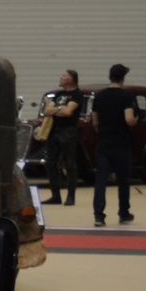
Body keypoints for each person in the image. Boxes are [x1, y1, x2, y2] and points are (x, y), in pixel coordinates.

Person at [91, 62, 136, 226]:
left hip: (104, 143)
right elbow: (129, 119)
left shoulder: (99, 96)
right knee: (123, 181)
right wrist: (136, 120)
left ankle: (99, 216)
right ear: (123, 78)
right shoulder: (126, 96)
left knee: (100, 181)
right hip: (121, 144)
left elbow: (95, 121)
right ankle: (124, 213)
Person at [42, 70, 85, 206]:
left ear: (72, 79)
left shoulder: (77, 95)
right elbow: (47, 111)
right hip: (54, 131)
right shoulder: (59, 94)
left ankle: (71, 196)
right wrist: (59, 109)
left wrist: (57, 109)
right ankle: (55, 195)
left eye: (64, 76)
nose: (61, 77)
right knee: (50, 163)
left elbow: (68, 112)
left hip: (68, 131)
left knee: (69, 164)